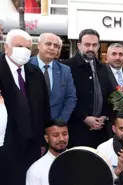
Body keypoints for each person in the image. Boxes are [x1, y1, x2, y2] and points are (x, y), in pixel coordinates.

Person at [0, 29, 51, 185]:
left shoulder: (35, 73)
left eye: (28, 48)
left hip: (32, 145)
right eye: (19, 46)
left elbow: (44, 109)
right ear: (6, 47)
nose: (24, 51)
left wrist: (43, 141)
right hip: (5, 145)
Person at [63, 29, 113, 148]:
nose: (91, 48)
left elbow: (110, 96)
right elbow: (65, 98)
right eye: (87, 44)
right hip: (76, 131)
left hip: (101, 132)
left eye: (94, 45)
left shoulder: (103, 68)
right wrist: (84, 118)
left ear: (99, 46)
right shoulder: (67, 66)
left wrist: (105, 116)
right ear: (79, 45)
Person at [30, 33, 77, 122]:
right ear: (39, 45)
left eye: (56, 46)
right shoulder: (26, 66)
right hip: (30, 124)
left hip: (56, 125)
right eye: (48, 44)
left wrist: (60, 121)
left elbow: (71, 98)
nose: (52, 48)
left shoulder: (65, 70)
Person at [26, 119, 69, 185]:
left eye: (64, 134)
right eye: (55, 135)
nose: (61, 139)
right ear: (46, 138)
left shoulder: (80, 161)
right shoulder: (36, 170)